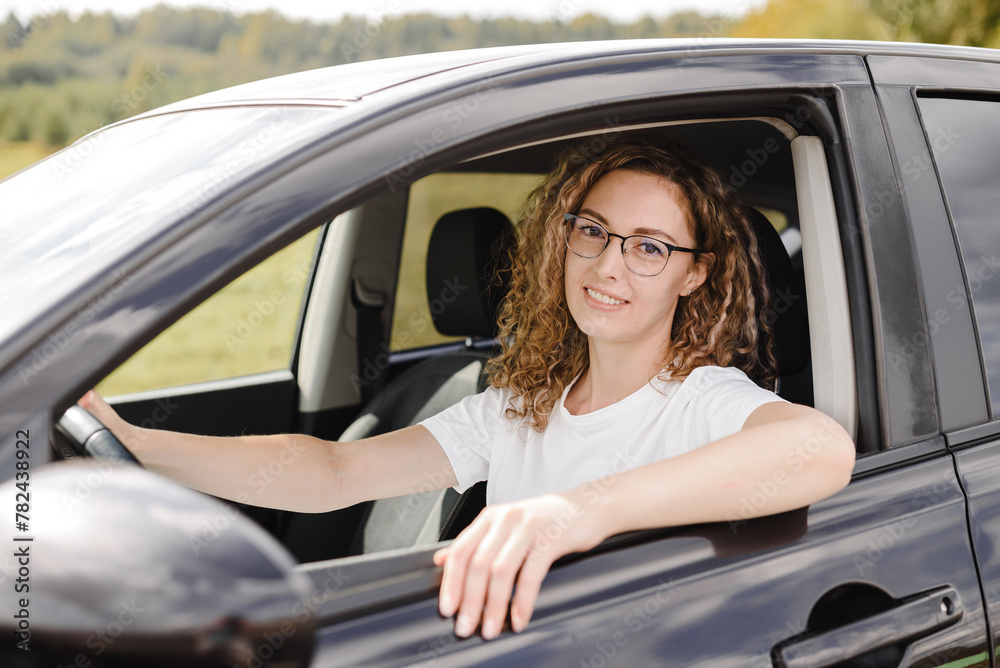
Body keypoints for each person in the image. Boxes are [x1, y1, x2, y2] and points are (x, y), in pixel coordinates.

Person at [80, 132, 856, 642]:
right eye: (592, 231)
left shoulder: (701, 398)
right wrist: (141, 447)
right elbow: (332, 472)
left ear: (695, 273)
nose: (610, 265)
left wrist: (576, 513)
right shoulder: (520, 404)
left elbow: (818, 451)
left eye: (650, 247)